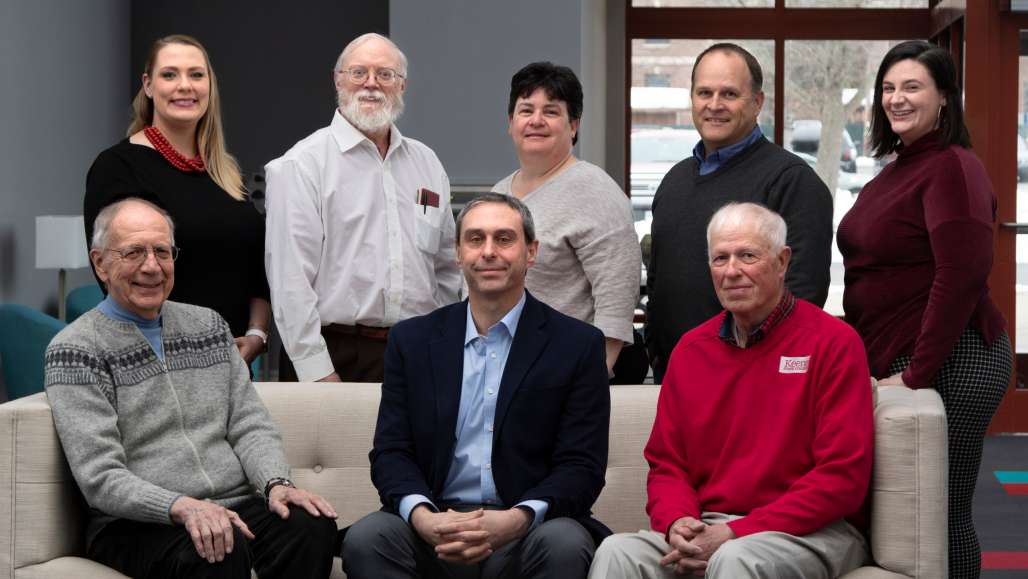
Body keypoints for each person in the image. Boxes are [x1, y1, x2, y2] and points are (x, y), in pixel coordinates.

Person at [44, 198, 338, 578]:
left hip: (232, 505)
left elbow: (249, 424)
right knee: (216, 550)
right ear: (100, 263)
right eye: (134, 252)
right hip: (135, 524)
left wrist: (276, 483)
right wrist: (181, 506)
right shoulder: (75, 350)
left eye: (162, 252)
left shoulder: (208, 327)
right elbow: (100, 476)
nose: (151, 266)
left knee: (311, 526)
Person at [590, 202, 873, 579]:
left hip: (813, 531)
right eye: (720, 258)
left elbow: (842, 479)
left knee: (735, 559)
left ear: (782, 261)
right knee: (617, 552)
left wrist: (735, 532)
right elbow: (667, 464)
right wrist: (678, 523)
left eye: (748, 256)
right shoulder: (691, 352)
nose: (732, 271)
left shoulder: (833, 344)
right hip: (710, 525)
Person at [342, 193, 611, 579]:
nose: (488, 252)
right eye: (475, 239)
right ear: (457, 253)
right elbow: (391, 451)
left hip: (528, 530)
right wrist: (423, 517)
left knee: (565, 543)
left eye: (504, 239)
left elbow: (582, 466)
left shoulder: (577, 344)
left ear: (530, 252)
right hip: (436, 525)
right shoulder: (412, 341)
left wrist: (517, 519)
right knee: (368, 538)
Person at [838, 40, 1012, 579]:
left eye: (912, 86)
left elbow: (959, 278)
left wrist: (916, 373)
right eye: (888, 88)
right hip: (908, 359)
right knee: (906, 510)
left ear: (944, 99)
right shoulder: (901, 167)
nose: (896, 98)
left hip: (954, 360)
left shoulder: (953, 168)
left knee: (939, 512)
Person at [265, 32, 460, 383]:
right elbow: (290, 281)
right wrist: (317, 371)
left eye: (385, 75)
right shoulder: (301, 165)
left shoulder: (427, 163)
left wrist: (443, 344)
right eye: (358, 73)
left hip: (419, 351)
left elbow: (447, 267)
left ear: (402, 86)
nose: (371, 84)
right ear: (338, 79)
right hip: (336, 354)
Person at [645, 42, 833, 383]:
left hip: (750, 381)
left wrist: (757, 368)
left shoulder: (792, 181)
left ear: (757, 102)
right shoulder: (675, 181)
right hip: (674, 376)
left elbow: (805, 291)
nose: (714, 105)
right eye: (704, 93)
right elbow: (659, 277)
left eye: (729, 94)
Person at [85, 34, 270, 365]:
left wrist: (257, 335)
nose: (185, 85)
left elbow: (258, 269)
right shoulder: (117, 167)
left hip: (231, 365)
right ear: (149, 85)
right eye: (169, 74)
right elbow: (119, 275)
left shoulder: (226, 174)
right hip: (156, 363)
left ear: (209, 86)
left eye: (196, 75)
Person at [492, 62, 642, 381]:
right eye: (526, 110)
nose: (536, 121)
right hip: (502, 368)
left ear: (573, 125)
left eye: (551, 111)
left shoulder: (596, 191)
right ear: (510, 122)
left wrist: (592, 379)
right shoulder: (498, 193)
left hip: (567, 373)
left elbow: (617, 297)